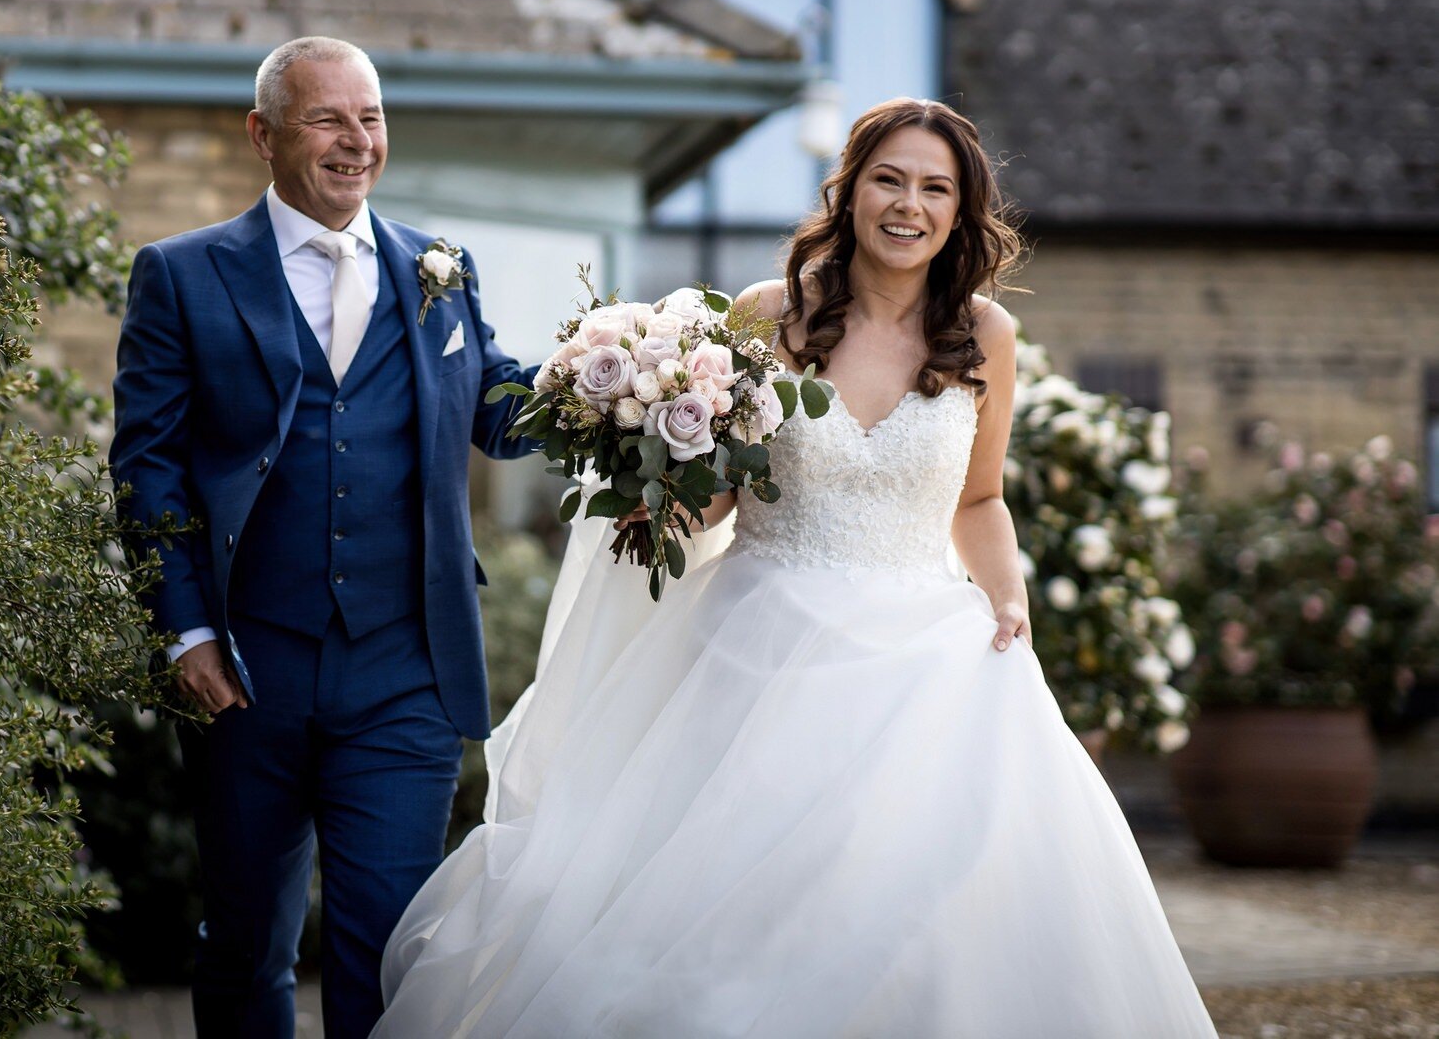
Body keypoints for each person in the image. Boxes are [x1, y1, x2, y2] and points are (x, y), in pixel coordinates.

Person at [375, 97, 1216, 1038]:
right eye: (889, 179)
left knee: (924, 920)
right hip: (757, 642)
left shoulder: (988, 337)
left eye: (935, 188)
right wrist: (661, 500)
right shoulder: (767, 313)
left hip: (926, 661)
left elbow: (979, 500)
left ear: (962, 210)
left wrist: (1008, 594)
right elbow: (727, 487)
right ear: (850, 190)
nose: (909, 205)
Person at [111, 36, 538, 1039]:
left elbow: (499, 408)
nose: (358, 141)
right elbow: (147, 469)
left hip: (404, 670)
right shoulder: (181, 275)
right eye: (328, 118)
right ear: (263, 134)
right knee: (246, 944)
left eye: (372, 116)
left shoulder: (440, 268)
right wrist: (185, 634)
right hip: (247, 663)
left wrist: (636, 382)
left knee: (388, 946)